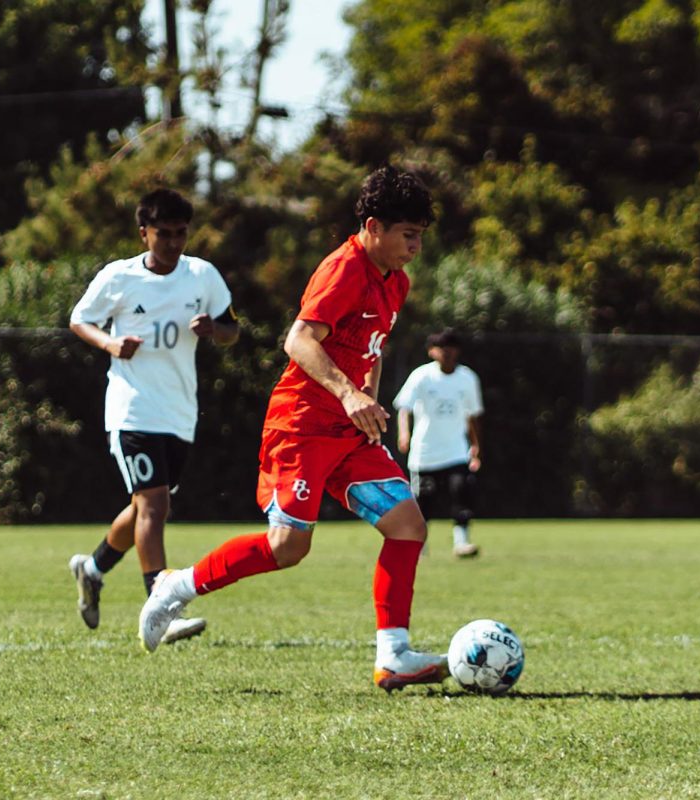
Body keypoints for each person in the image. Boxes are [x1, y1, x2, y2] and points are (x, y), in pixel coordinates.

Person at [137, 165, 447, 692]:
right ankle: (176, 585)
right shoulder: (344, 269)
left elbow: (371, 347)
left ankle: (393, 655)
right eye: (408, 235)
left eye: (420, 236)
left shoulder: (396, 281)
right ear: (373, 226)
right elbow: (299, 341)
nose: (416, 246)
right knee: (288, 548)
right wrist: (348, 394)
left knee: (408, 525)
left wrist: (365, 399)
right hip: (301, 425)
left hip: (349, 431)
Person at [67, 187, 239, 643]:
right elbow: (79, 319)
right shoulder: (119, 278)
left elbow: (232, 329)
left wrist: (213, 330)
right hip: (132, 408)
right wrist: (109, 344)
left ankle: (93, 566)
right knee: (156, 506)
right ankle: (159, 604)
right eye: (163, 233)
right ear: (143, 233)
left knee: (146, 506)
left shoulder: (202, 275)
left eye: (181, 233)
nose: (173, 242)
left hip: (180, 412)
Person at [393, 328, 483, 558]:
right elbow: (404, 407)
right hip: (426, 452)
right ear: (433, 352)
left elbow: (472, 415)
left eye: (451, 348)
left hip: (456, 450)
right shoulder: (421, 376)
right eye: (442, 348)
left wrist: (475, 445)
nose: (447, 353)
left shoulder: (467, 378)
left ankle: (461, 541)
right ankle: (420, 543)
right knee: (424, 502)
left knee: (461, 492)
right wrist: (404, 433)